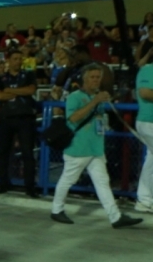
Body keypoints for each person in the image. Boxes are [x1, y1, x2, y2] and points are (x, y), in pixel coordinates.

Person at [50, 64, 143, 228]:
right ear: (84, 79)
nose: (96, 80)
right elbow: (73, 118)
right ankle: (57, 210)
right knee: (68, 179)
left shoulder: (98, 97)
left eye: (98, 77)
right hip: (78, 148)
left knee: (102, 182)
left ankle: (115, 217)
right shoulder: (75, 96)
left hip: (96, 148)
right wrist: (95, 101)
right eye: (92, 77)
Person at [0, 49, 39, 197]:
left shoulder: (29, 75)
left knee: (27, 153)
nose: (18, 61)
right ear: (9, 61)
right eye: (15, 58)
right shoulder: (0, 79)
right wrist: (19, 91)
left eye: (20, 59)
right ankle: (3, 184)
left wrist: (10, 91)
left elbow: (30, 91)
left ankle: (30, 187)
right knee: (4, 153)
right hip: (6, 119)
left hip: (25, 119)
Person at [133, 47, 153, 214]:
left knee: (151, 160)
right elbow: (145, 93)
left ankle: (144, 200)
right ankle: (145, 199)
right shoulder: (148, 70)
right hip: (148, 122)